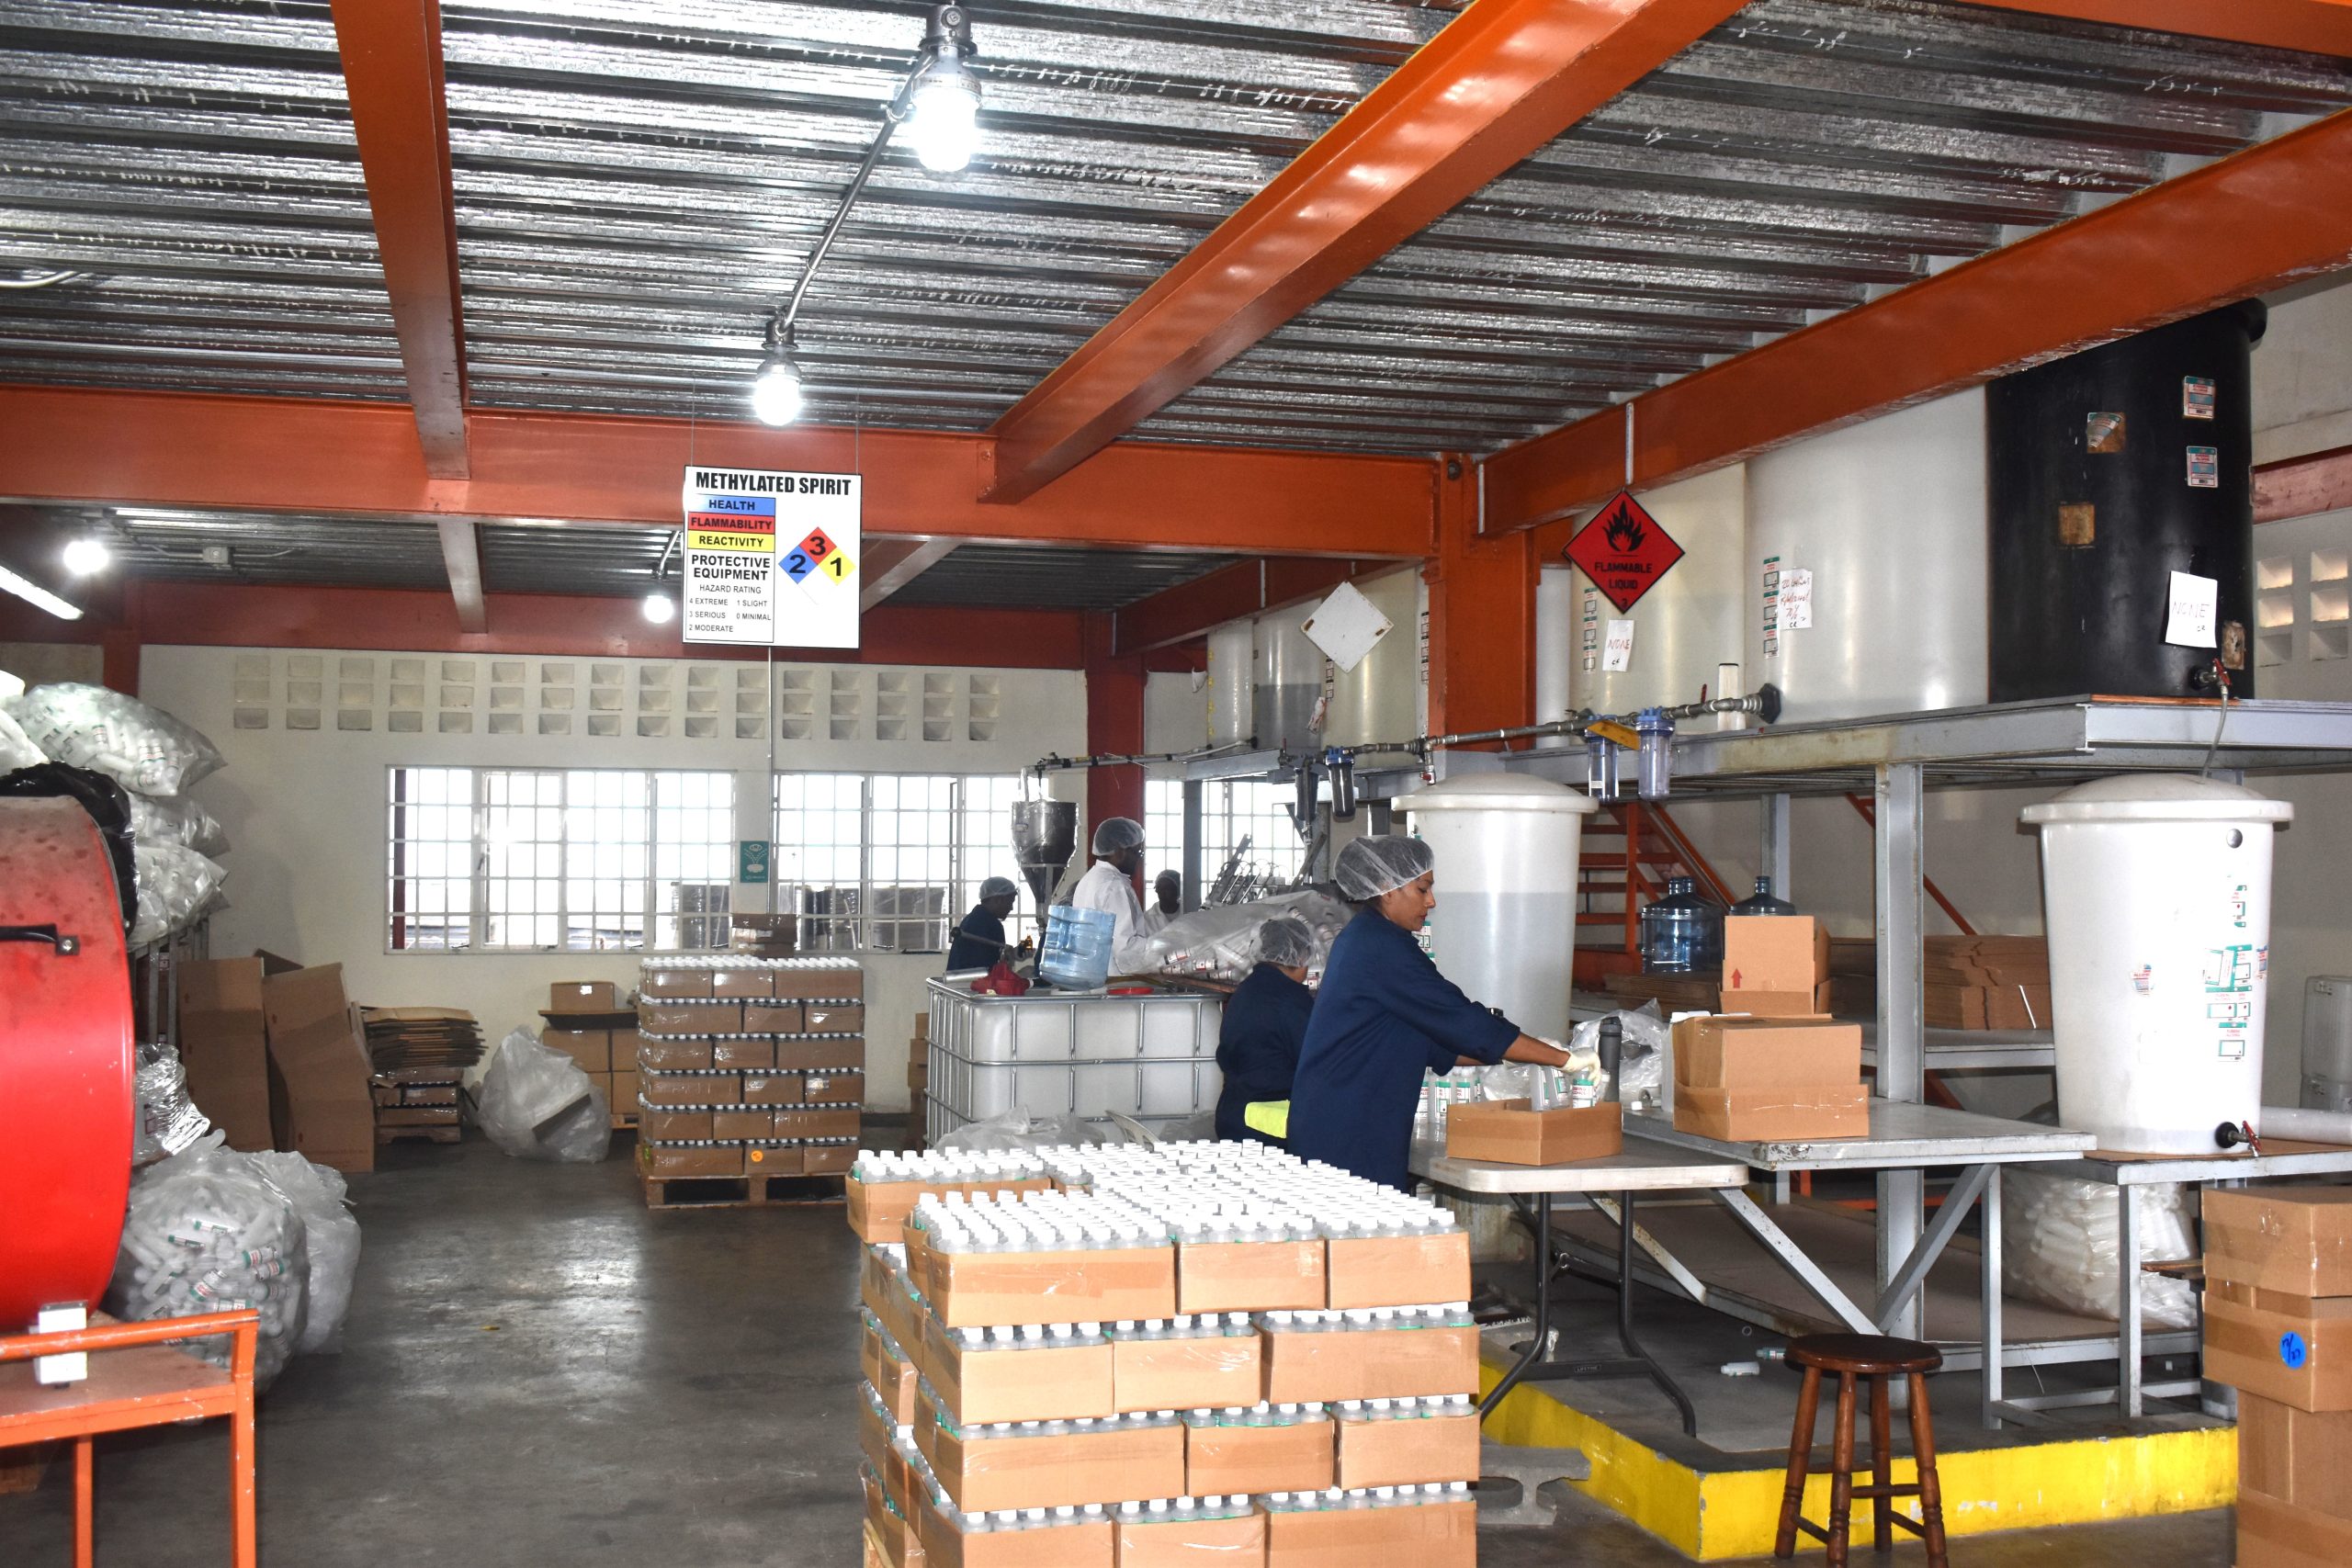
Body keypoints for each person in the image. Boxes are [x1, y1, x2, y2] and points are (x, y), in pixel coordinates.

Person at [1287, 835, 1572, 1190]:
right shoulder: (1380, 947)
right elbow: (1462, 1021)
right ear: (1387, 888)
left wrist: (1519, 1054)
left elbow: (1433, 1043)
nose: (1431, 901)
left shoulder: (1369, 937)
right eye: (1422, 889)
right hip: (1346, 1128)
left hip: (1346, 1119)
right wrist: (1565, 1060)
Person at [1214, 916, 1317, 1146]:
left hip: (1232, 1111)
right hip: (1267, 1123)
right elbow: (1314, 1063)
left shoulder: (1245, 991)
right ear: (1300, 957)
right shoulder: (1292, 1001)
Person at [1070, 816, 1152, 975]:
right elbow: (1125, 948)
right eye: (1137, 852)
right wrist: (1160, 949)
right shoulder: (1114, 886)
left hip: (1091, 974)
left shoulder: (1089, 879)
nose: (1139, 859)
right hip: (1114, 978)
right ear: (1120, 851)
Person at [945, 876, 1019, 972]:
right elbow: (987, 969)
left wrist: (1010, 954)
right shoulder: (990, 925)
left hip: (959, 979)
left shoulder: (972, 919)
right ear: (998, 900)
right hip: (972, 980)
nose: (1011, 908)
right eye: (1010, 902)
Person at [1138, 870, 1183, 939]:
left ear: (1178, 890)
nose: (1162, 893)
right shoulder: (1146, 919)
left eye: (1168, 888)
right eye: (1159, 888)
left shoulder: (1187, 913)